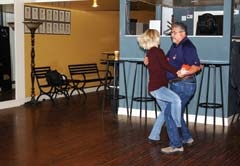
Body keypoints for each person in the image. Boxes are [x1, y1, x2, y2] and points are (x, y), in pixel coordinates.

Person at [144, 22, 201, 154]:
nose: (171, 35)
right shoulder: (175, 45)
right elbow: (164, 61)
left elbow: (197, 66)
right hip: (176, 84)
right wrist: (148, 61)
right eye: (171, 32)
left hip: (184, 85)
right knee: (176, 112)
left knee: (169, 113)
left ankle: (176, 145)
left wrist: (186, 72)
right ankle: (186, 138)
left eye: (174, 32)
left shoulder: (187, 46)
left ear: (183, 33)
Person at [137, 29, 189, 153]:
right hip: (158, 88)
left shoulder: (149, 52)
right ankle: (178, 125)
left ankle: (154, 136)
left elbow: (160, 65)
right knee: (176, 99)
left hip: (154, 88)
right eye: (158, 36)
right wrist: (178, 71)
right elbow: (165, 66)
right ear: (155, 38)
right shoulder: (157, 51)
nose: (160, 38)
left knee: (165, 112)